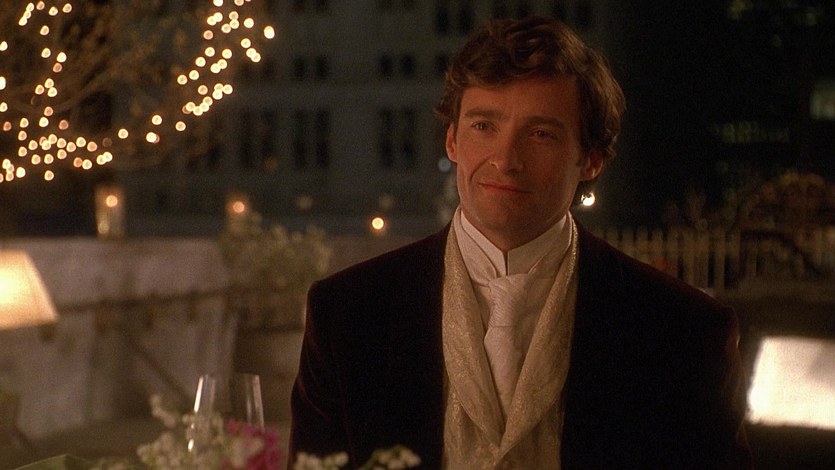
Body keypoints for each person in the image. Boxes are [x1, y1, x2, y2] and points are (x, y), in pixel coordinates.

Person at [289, 16, 752, 469]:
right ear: (451, 140)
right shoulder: (346, 314)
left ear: (591, 159)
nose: (506, 160)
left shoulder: (684, 332)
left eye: (541, 134)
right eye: (483, 126)